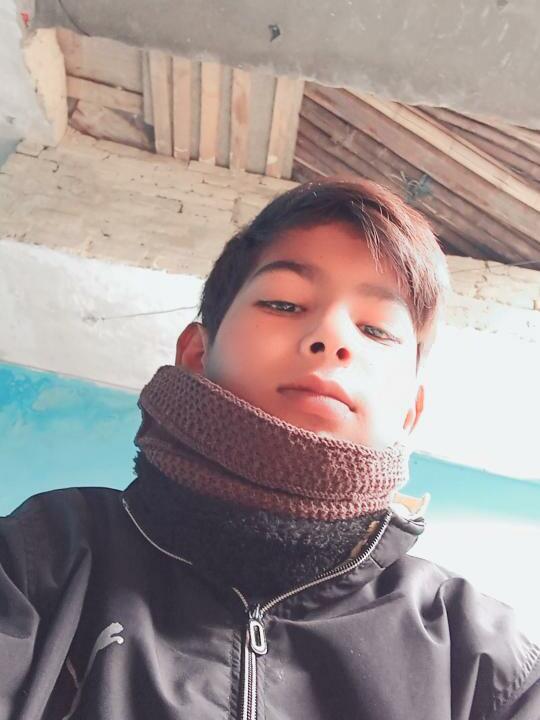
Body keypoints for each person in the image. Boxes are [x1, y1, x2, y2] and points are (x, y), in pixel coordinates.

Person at [1, 179, 538, 720]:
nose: (332, 336)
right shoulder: (37, 560)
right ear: (195, 355)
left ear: (410, 412)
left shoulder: (484, 660)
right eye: (284, 303)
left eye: (377, 330)